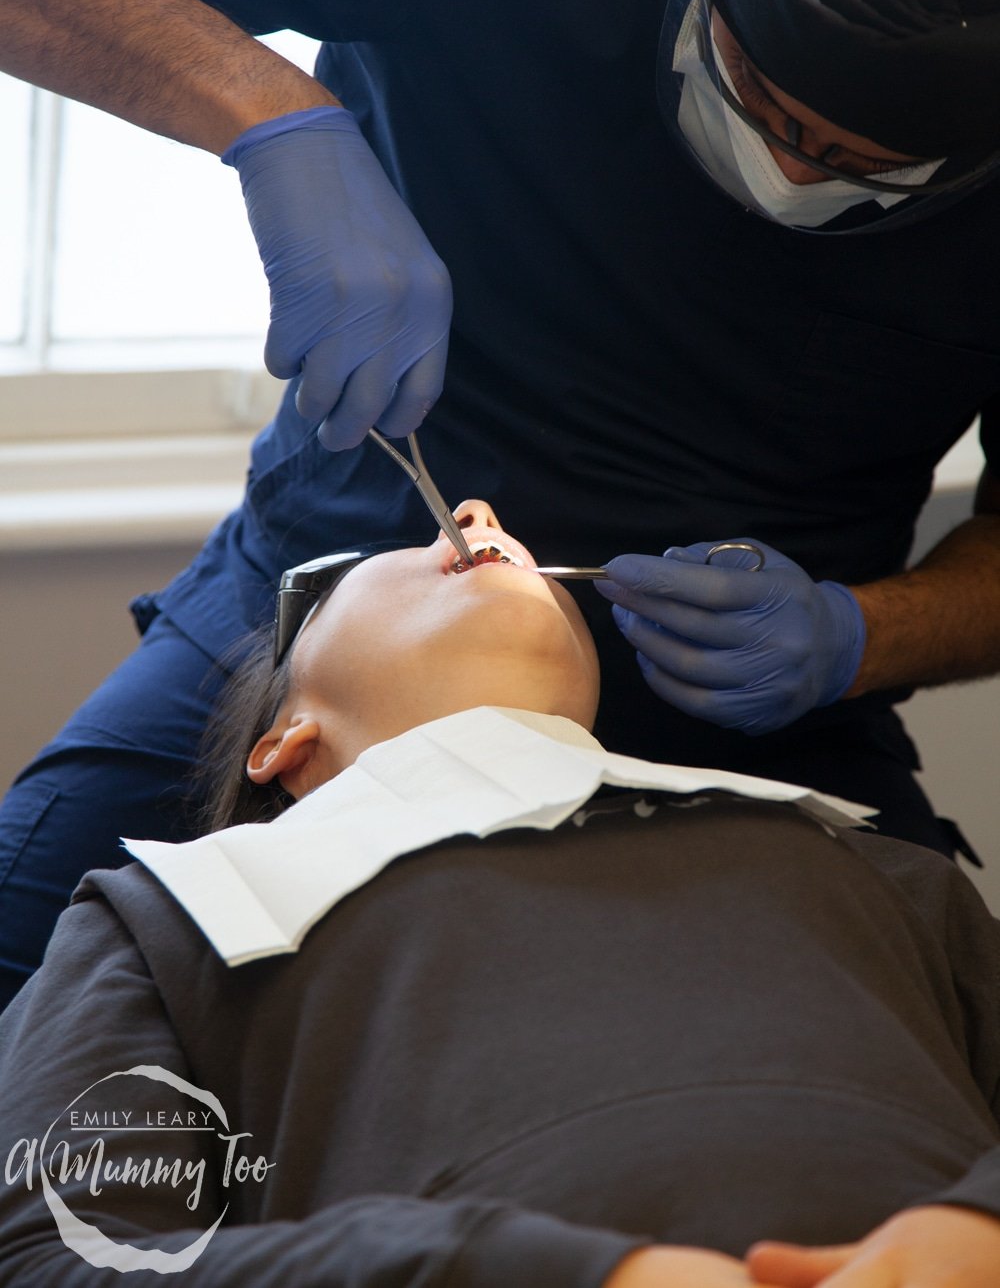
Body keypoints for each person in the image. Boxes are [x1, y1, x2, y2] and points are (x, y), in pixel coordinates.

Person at [2, 0, 1000, 1007]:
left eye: (855, 168)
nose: (786, 170)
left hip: (779, 720)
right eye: (760, 100)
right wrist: (266, 116)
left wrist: (855, 639)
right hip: (304, 594)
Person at [1, 501, 1000, 1287]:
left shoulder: (880, 869)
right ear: (286, 743)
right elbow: (63, 1258)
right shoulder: (168, 914)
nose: (476, 516)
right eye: (385, 559)